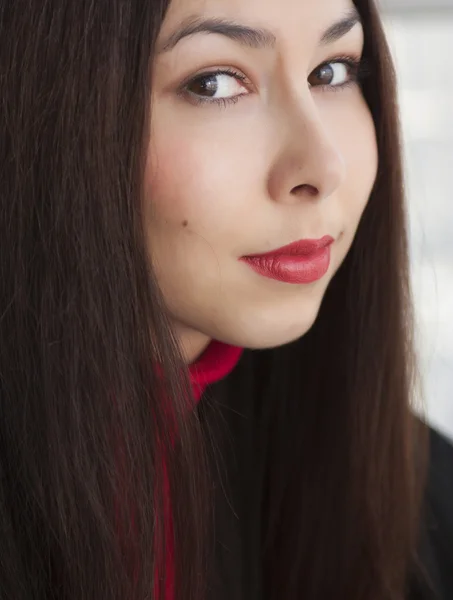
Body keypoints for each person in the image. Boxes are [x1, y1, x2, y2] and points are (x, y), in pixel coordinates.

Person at [1, 0, 452, 598]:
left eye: (333, 71)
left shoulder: (408, 489)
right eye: (213, 84)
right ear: (45, 105)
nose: (321, 165)